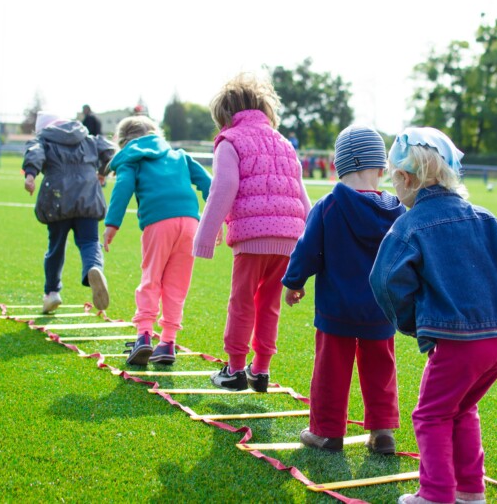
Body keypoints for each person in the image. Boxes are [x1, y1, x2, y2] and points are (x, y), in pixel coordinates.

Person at [369, 127, 497, 504]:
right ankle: (470, 492)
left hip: (460, 342)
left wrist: (413, 323)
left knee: (430, 415)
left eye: (394, 179)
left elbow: (384, 279)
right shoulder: (484, 216)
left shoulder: (409, 225)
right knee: (462, 409)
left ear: (406, 178)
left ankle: (435, 495)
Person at [282, 125, 406, 454]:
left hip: (336, 308)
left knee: (331, 370)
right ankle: (382, 431)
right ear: (381, 168)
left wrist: (294, 282)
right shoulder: (398, 210)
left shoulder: (329, 205)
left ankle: (327, 432)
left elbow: (307, 250)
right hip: (381, 309)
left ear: (338, 166)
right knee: (381, 369)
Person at [193, 72, 311, 392]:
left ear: (225, 115)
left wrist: (205, 237)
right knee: (269, 304)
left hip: (252, 236)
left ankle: (234, 369)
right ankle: (260, 370)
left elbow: (224, 187)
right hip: (289, 239)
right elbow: (302, 196)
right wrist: (311, 245)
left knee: (241, 302)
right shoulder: (284, 143)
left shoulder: (230, 141)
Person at [102, 116, 212, 366]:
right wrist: (216, 219)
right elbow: (209, 184)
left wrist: (112, 224)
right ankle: (168, 342)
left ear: (123, 141)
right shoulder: (179, 155)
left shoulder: (131, 158)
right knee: (177, 284)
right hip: (190, 223)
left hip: (159, 222)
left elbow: (123, 187)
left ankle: (144, 336)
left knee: (151, 278)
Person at [23, 111, 115, 314]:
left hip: (58, 200)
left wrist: (30, 175)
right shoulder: (87, 138)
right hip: (88, 197)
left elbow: (35, 152)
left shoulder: (44, 140)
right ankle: (94, 268)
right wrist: (103, 172)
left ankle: (52, 292)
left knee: (56, 247)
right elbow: (110, 151)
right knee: (90, 242)